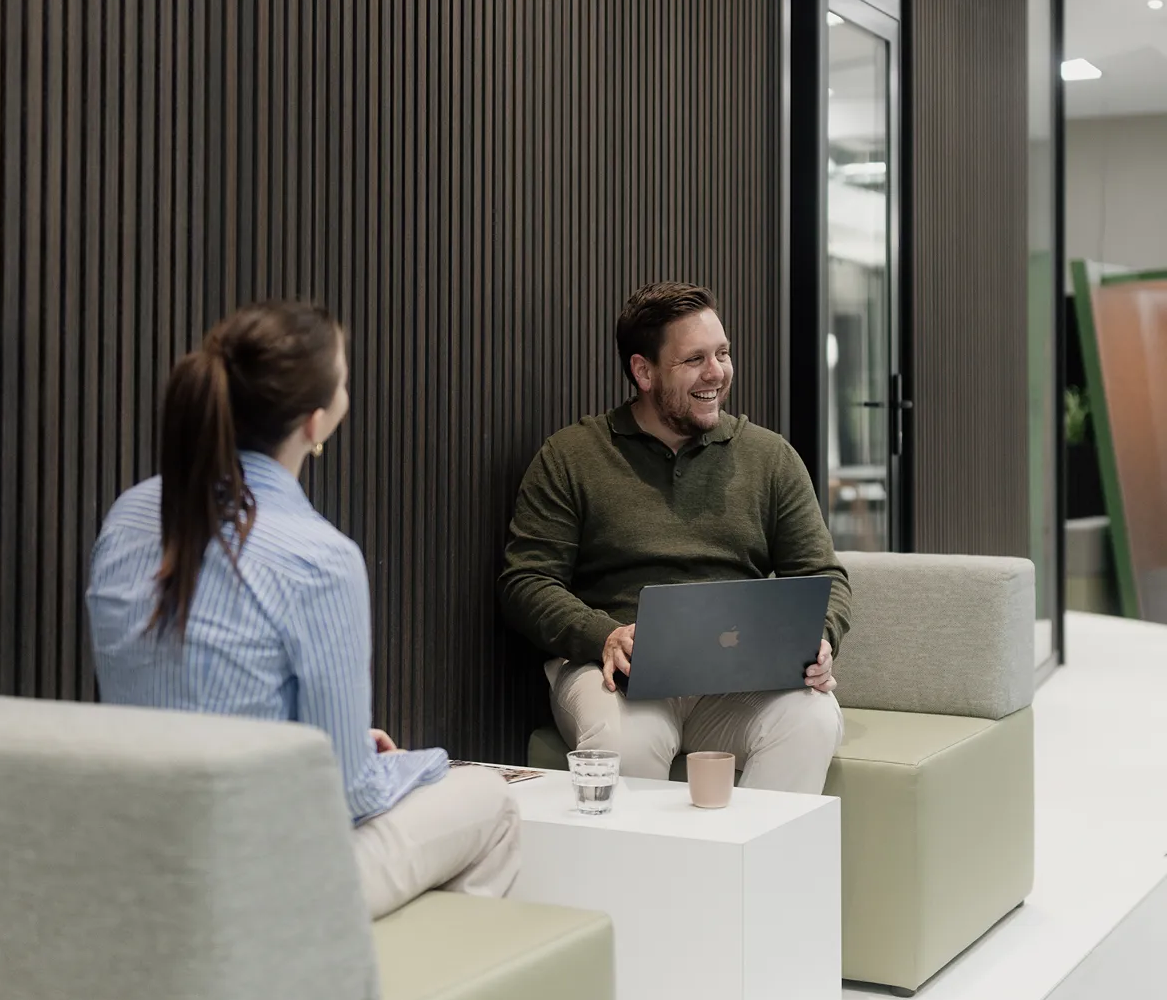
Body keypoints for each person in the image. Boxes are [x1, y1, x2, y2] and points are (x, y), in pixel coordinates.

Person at [87, 300, 519, 917]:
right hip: (259, 882)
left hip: (138, 850)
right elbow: (349, 796)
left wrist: (335, 745)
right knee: (491, 799)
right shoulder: (320, 558)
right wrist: (422, 766)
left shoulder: (128, 515)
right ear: (316, 423)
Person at [499, 281, 851, 794]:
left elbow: (823, 573)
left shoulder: (769, 457)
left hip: (740, 681)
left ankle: (756, 874)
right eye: (694, 360)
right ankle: (643, 878)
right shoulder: (572, 456)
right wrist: (603, 634)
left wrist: (819, 639)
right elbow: (526, 581)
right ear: (643, 371)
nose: (717, 373)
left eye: (723, 354)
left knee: (812, 720)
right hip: (617, 677)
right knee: (626, 742)